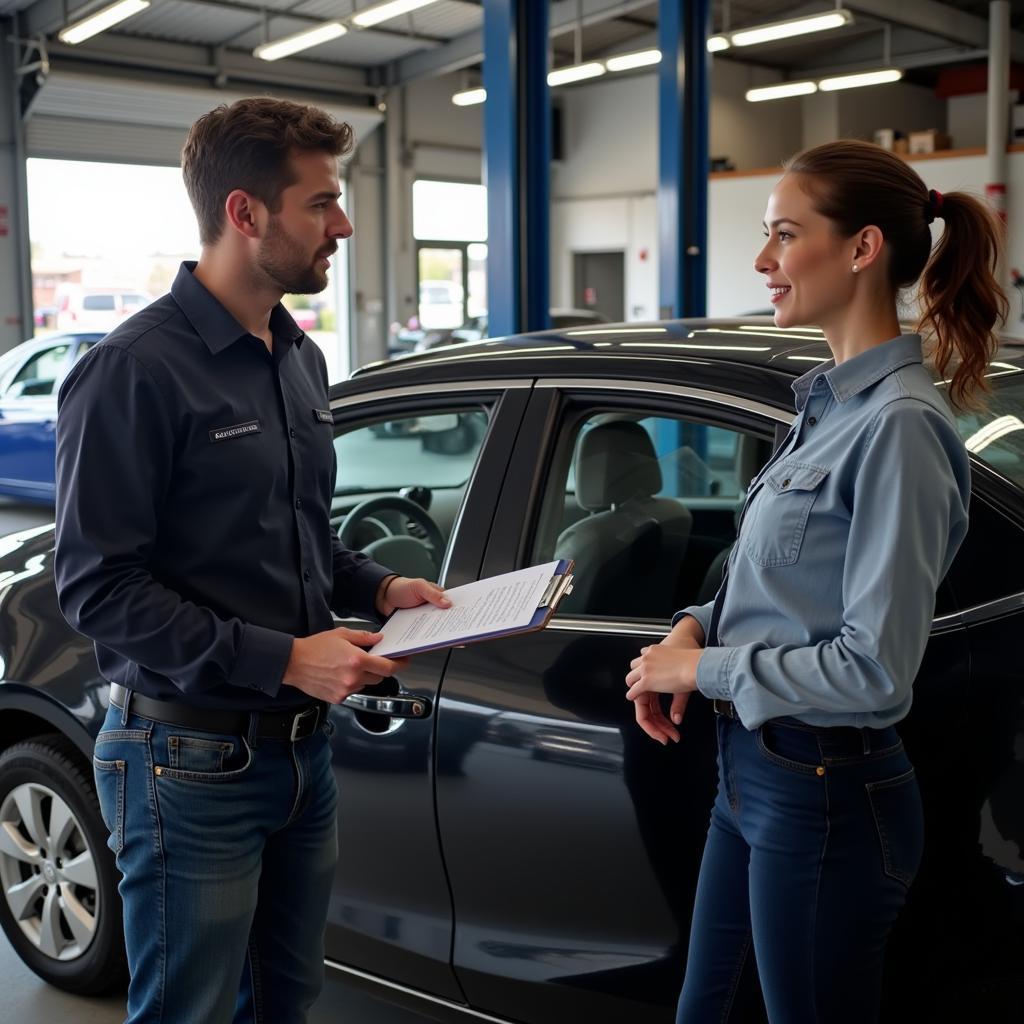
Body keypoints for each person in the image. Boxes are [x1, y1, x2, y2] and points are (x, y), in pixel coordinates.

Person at [54, 97, 450, 1024]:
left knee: (285, 1002)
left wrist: (382, 586)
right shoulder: (135, 370)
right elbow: (97, 587)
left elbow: (301, 533)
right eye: (321, 205)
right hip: (186, 764)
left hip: (303, 756)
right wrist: (283, 657)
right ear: (245, 214)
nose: (343, 225)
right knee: (188, 1010)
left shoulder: (297, 358)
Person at [623, 138, 1008, 1024]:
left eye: (785, 235)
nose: (763, 261)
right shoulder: (831, 408)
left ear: (862, 248)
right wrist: (694, 627)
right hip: (753, 776)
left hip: (825, 792)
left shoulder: (902, 430)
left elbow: (874, 671)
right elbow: (781, 586)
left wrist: (702, 672)